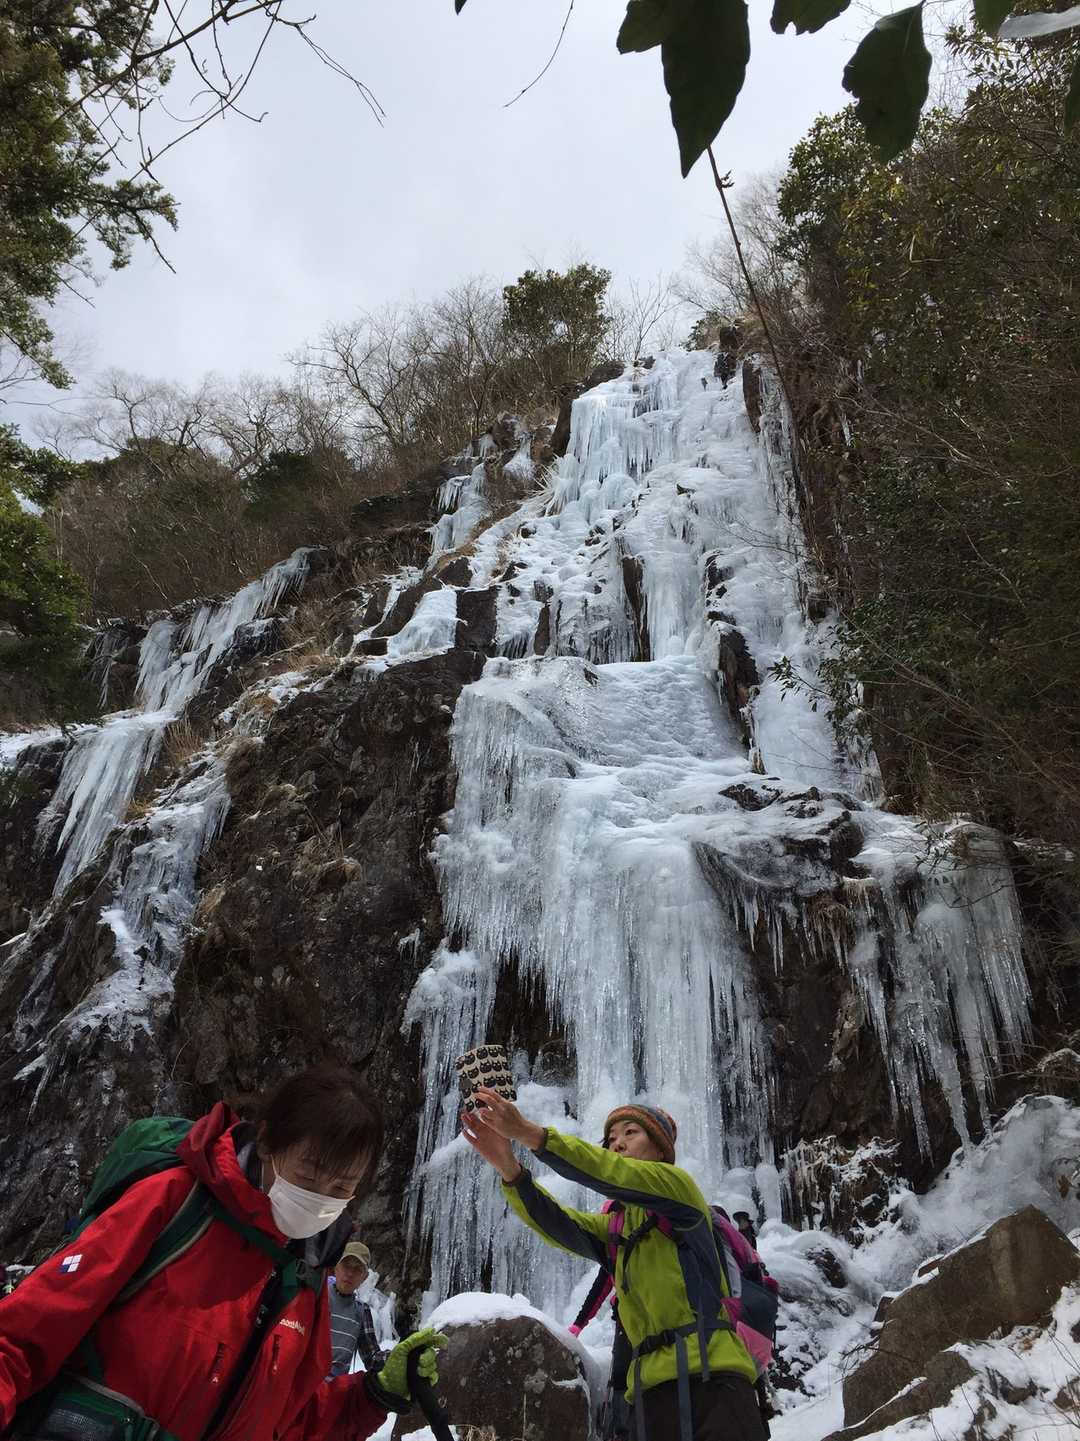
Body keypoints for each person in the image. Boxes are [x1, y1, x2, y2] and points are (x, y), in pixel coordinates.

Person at [0, 1064, 446, 1441]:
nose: (320, 1198)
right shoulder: (173, 1203)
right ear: (268, 1143)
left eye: (342, 1187)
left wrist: (370, 1397)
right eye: (309, 1174)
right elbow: (21, 1338)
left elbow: (285, 1424)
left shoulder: (303, 1277)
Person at [464, 1089, 765, 1441]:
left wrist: (529, 1133)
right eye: (609, 1139)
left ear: (660, 1149)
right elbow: (559, 1223)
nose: (617, 1143)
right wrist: (510, 1169)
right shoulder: (618, 1229)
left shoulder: (679, 1191)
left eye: (630, 1132)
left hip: (714, 1382)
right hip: (650, 1393)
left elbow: (612, 1172)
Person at [326, 1242, 385, 1378]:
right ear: (336, 1267)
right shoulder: (318, 1297)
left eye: (357, 1269)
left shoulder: (361, 1311)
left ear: (365, 1277)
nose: (350, 1273)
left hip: (335, 1388)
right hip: (306, 1383)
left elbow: (372, 1357)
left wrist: (398, 1355)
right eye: (346, 1265)